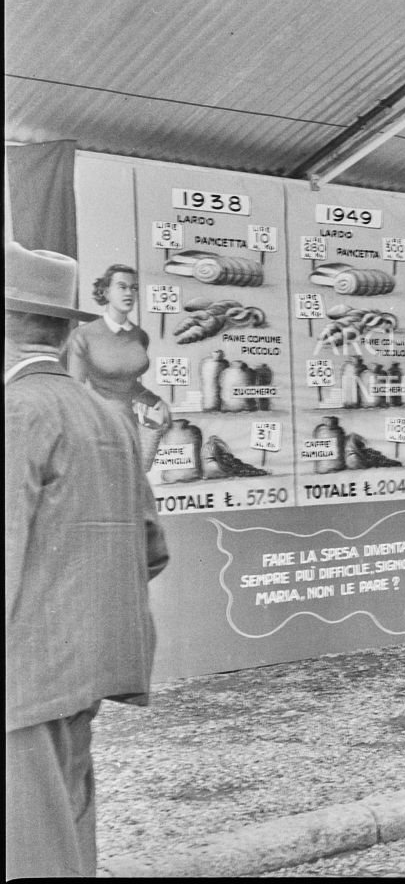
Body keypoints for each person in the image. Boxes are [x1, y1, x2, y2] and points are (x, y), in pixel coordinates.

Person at [6, 241, 169, 877]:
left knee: (29, 848)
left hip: (24, 675)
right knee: (69, 830)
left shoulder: (17, 412)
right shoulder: (107, 416)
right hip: (89, 666)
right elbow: (150, 549)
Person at [65, 262, 171, 468]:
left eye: (134, 288)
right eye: (122, 287)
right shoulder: (84, 335)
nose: (129, 293)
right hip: (98, 426)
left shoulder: (140, 336)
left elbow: (127, 383)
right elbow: (74, 391)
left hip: (129, 425)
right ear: (105, 291)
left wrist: (155, 401)